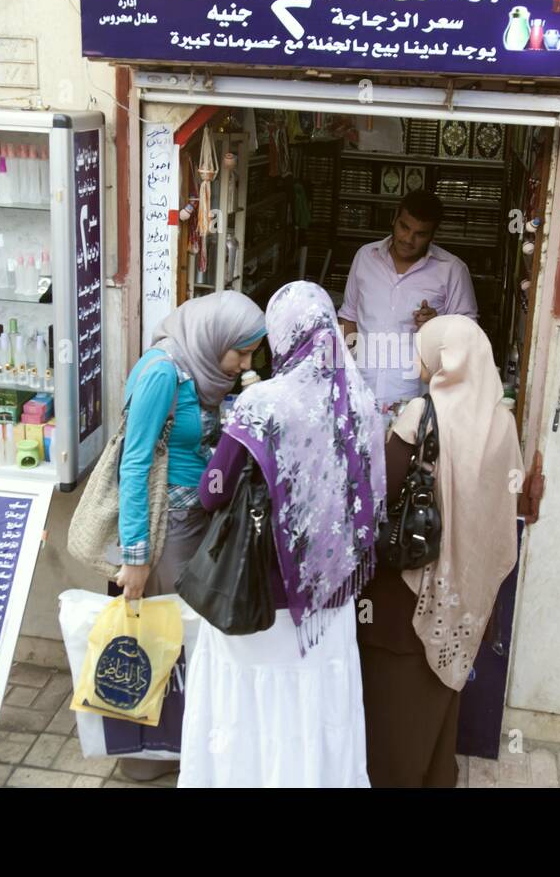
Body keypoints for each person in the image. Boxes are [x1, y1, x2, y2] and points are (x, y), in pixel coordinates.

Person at [183, 281, 386, 787]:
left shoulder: (262, 405)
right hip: (328, 599)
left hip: (258, 595)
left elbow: (213, 491)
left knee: (249, 711)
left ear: (282, 336)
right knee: (309, 711)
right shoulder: (359, 404)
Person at [358, 314, 523, 787]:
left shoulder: (420, 414)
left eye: (428, 352)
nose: (422, 363)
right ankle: (436, 776)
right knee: (438, 698)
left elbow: (383, 493)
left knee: (394, 705)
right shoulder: (501, 422)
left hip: (408, 587)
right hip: (465, 591)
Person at [115, 290, 265, 780]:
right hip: (166, 528)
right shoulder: (164, 372)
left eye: (250, 353)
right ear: (213, 336)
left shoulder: (205, 374)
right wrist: (136, 557)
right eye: (240, 351)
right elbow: (134, 463)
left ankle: (182, 747)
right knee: (165, 638)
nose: (243, 363)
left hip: (198, 521)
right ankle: (145, 756)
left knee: (184, 640)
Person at [338, 190, 478, 419]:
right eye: (404, 227)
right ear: (394, 218)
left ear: (433, 234)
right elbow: (348, 317)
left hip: (415, 402)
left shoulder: (452, 270)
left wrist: (438, 326)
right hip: (360, 395)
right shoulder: (365, 257)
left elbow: (470, 340)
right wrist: (345, 375)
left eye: (420, 234)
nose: (408, 239)